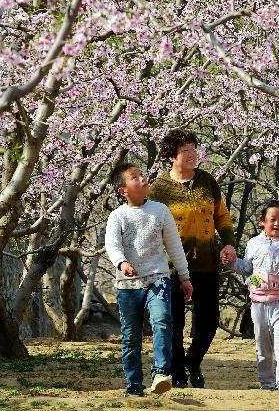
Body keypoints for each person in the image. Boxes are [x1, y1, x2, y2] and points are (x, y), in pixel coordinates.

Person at [148, 129, 237, 388]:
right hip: (172, 267)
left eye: (193, 149)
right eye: (185, 150)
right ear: (171, 156)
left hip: (207, 263)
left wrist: (229, 243)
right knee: (173, 321)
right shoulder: (159, 189)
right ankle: (177, 373)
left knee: (209, 320)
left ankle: (193, 360)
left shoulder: (207, 181)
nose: (191, 155)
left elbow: (222, 216)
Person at [105, 162, 194, 397]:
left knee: (163, 319)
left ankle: (160, 373)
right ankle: (134, 385)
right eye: (134, 177)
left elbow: (174, 246)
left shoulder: (160, 210)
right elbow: (112, 246)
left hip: (159, 277)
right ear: (122, 190)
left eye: (142, 175)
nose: (143, 179)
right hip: (128, 284)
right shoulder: (118, 216)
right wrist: (122, 263)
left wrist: (184, 277)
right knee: (131, 335)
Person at [223, 200, 279, 394]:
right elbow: (246, 269)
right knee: (263, 348)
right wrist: (231, 262)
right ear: (262, 221)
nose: (277, 224)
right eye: (272, 219)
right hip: (258, 303)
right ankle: (266, 383)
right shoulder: (253, 243)